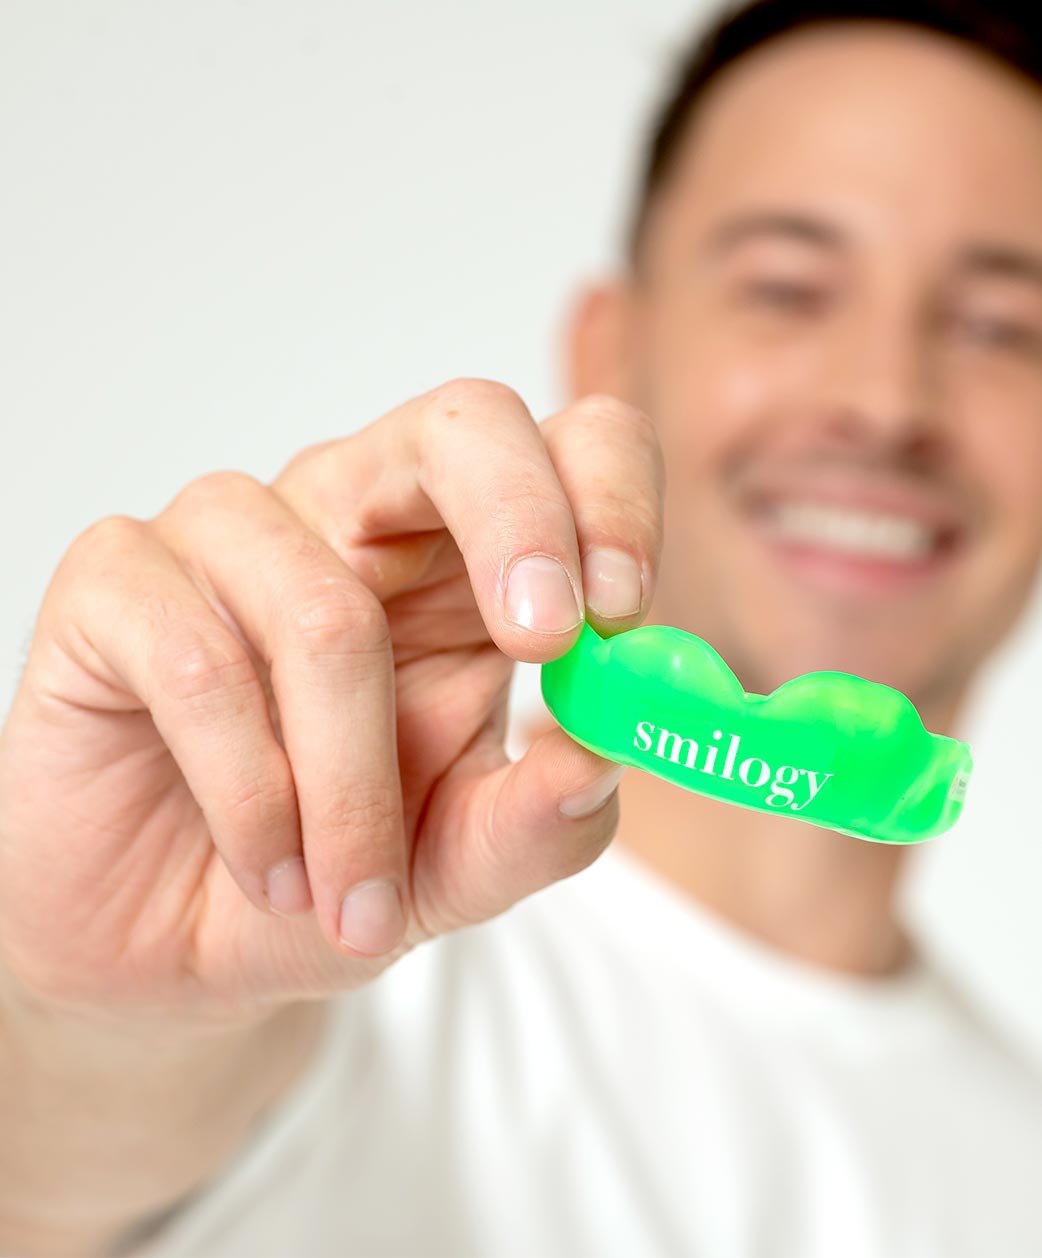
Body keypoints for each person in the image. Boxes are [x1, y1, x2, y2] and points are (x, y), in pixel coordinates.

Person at [4, 0, 1042, 1253]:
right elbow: (61, 1167)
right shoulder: (320, 947)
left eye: (1003, 326)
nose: (886, 401)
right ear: (608, 351)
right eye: (786, 288)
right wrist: (93, 1021)